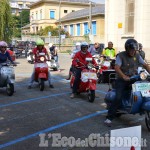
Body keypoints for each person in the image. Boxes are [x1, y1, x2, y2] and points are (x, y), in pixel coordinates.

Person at [104, 39, 150, 126]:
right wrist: (124, 76)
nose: (133, 52)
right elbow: (117, 68)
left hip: (134, 78)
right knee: (118, 97)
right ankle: (109, 118)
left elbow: (145, 65)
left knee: (146, 89)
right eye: (132, 50)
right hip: (122, 80)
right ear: (127, 49)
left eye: (135, 50)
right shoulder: (121, 56)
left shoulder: (137, 55)